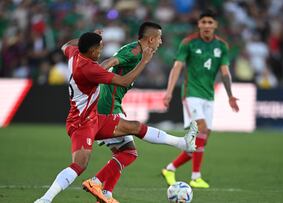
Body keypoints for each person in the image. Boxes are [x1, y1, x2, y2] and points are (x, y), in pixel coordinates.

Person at [34, 28, 198, 203]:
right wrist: (144, 61)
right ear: (90, 51)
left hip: (95, 118)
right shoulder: (89, 69)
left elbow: (66, 45)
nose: (101, 50)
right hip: (81, 123)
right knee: (80, 164)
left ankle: (182, 143)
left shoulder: (75, 53)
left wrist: (88, 37)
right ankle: (45, 199)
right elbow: (123, 81)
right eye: (98, 48)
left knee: (134, 128)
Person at [86, 22, 181, 203]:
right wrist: (94, 75)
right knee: (129, 153)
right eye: (159, 38)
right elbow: (110, 62)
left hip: (111, 104)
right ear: (151, 39)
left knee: (124, 154)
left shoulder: (137, 50)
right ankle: (96, 182)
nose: (160, 42)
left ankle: (105, 195)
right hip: (108, 107)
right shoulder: (134, 52)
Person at [161, 10, 239, 189]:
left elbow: (225, 72)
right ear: (199, 25)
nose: (206, 25)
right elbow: (177, 67)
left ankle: (170, 168)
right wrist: (169, 92)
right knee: (201, 129)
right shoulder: (189, 43)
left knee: (199, 141)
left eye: (210, 22)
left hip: (209, 97)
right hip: (191, 94)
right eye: (203, 22)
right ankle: (195, 177)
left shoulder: (222, 46)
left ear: (215, 25)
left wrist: (230, 95)